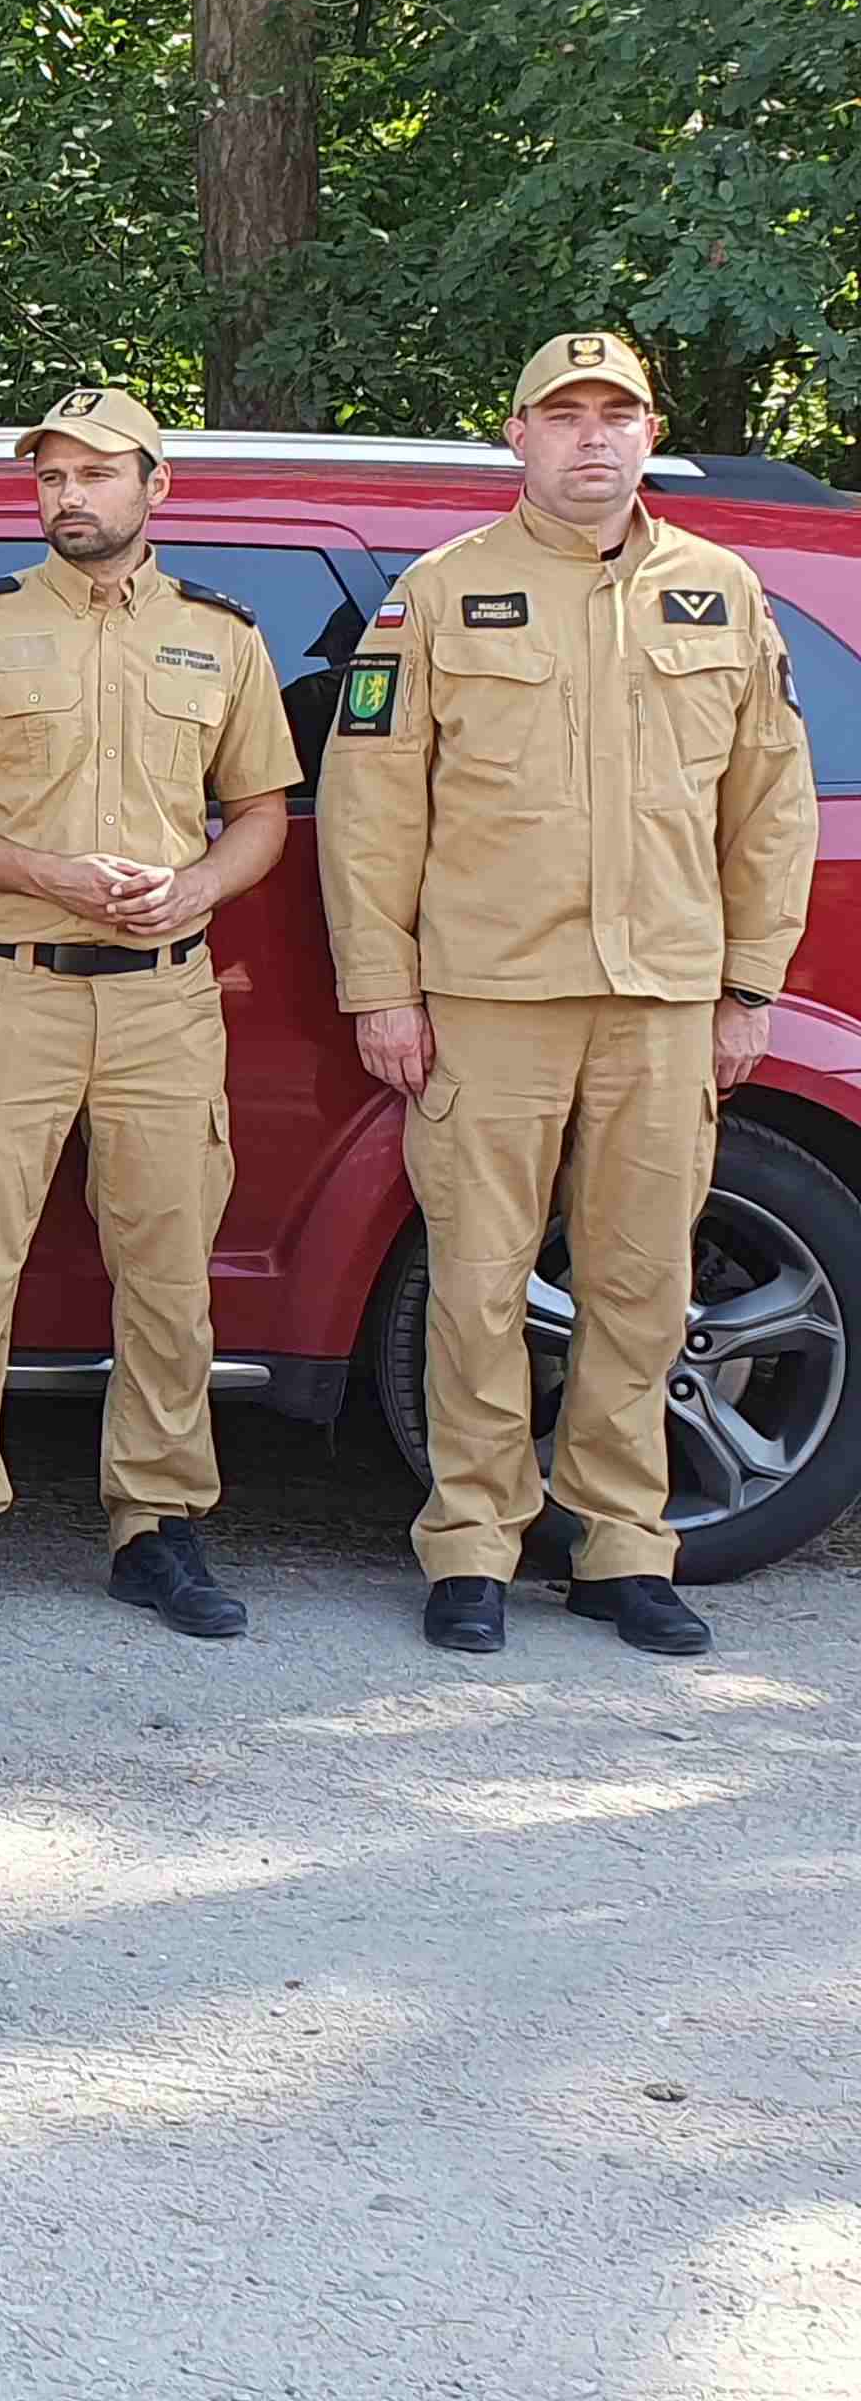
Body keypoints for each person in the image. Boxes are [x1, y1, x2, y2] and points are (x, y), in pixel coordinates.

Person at [320, 330, 816, 1658]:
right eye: (564, 414)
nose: (592, 437)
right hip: (487, 998)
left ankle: (620, 1546)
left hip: (661, 1002)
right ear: (520, 436)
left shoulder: (726, 594)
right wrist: (384, 988)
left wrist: (749, 983)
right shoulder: (438, 596)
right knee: (478, 1283)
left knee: (642, 1284)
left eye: (617, 413)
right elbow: (370, 811)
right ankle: (473, 1545)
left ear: (648, 433)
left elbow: (770, 810)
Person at [0, 387, 301, 1640]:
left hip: (166, 1003)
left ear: (156, 489)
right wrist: (46, 874)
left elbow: (263, 810)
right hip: (6, 991)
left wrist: (200, 888)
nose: (70, 495)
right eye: (52, 476)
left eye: (96, 475)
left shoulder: (220, 638)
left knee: (169, 1276)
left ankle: (158, 1529)